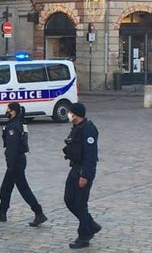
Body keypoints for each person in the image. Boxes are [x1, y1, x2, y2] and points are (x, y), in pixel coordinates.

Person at [0, 103, 47, 227]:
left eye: (8, 110)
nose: (6, 111)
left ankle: (39, 212)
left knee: (23, 189)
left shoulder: (13, 127)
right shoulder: (17, 123)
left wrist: (10, 165)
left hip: (15, 162)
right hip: (17, 161)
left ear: (14, 111)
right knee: (6, 188)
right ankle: (2, 212)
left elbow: (12, 148)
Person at [63, 103, 101, 249]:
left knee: (80, 203)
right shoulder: (77, 127)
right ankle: (90, 224)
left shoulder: (88, 129)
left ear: (76, 114)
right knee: (68, 199)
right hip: (75, 168)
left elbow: (91, 155)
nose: (68, 114)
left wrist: (85, 175)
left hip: (83, 171)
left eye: (70, 112)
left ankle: (84, 236)